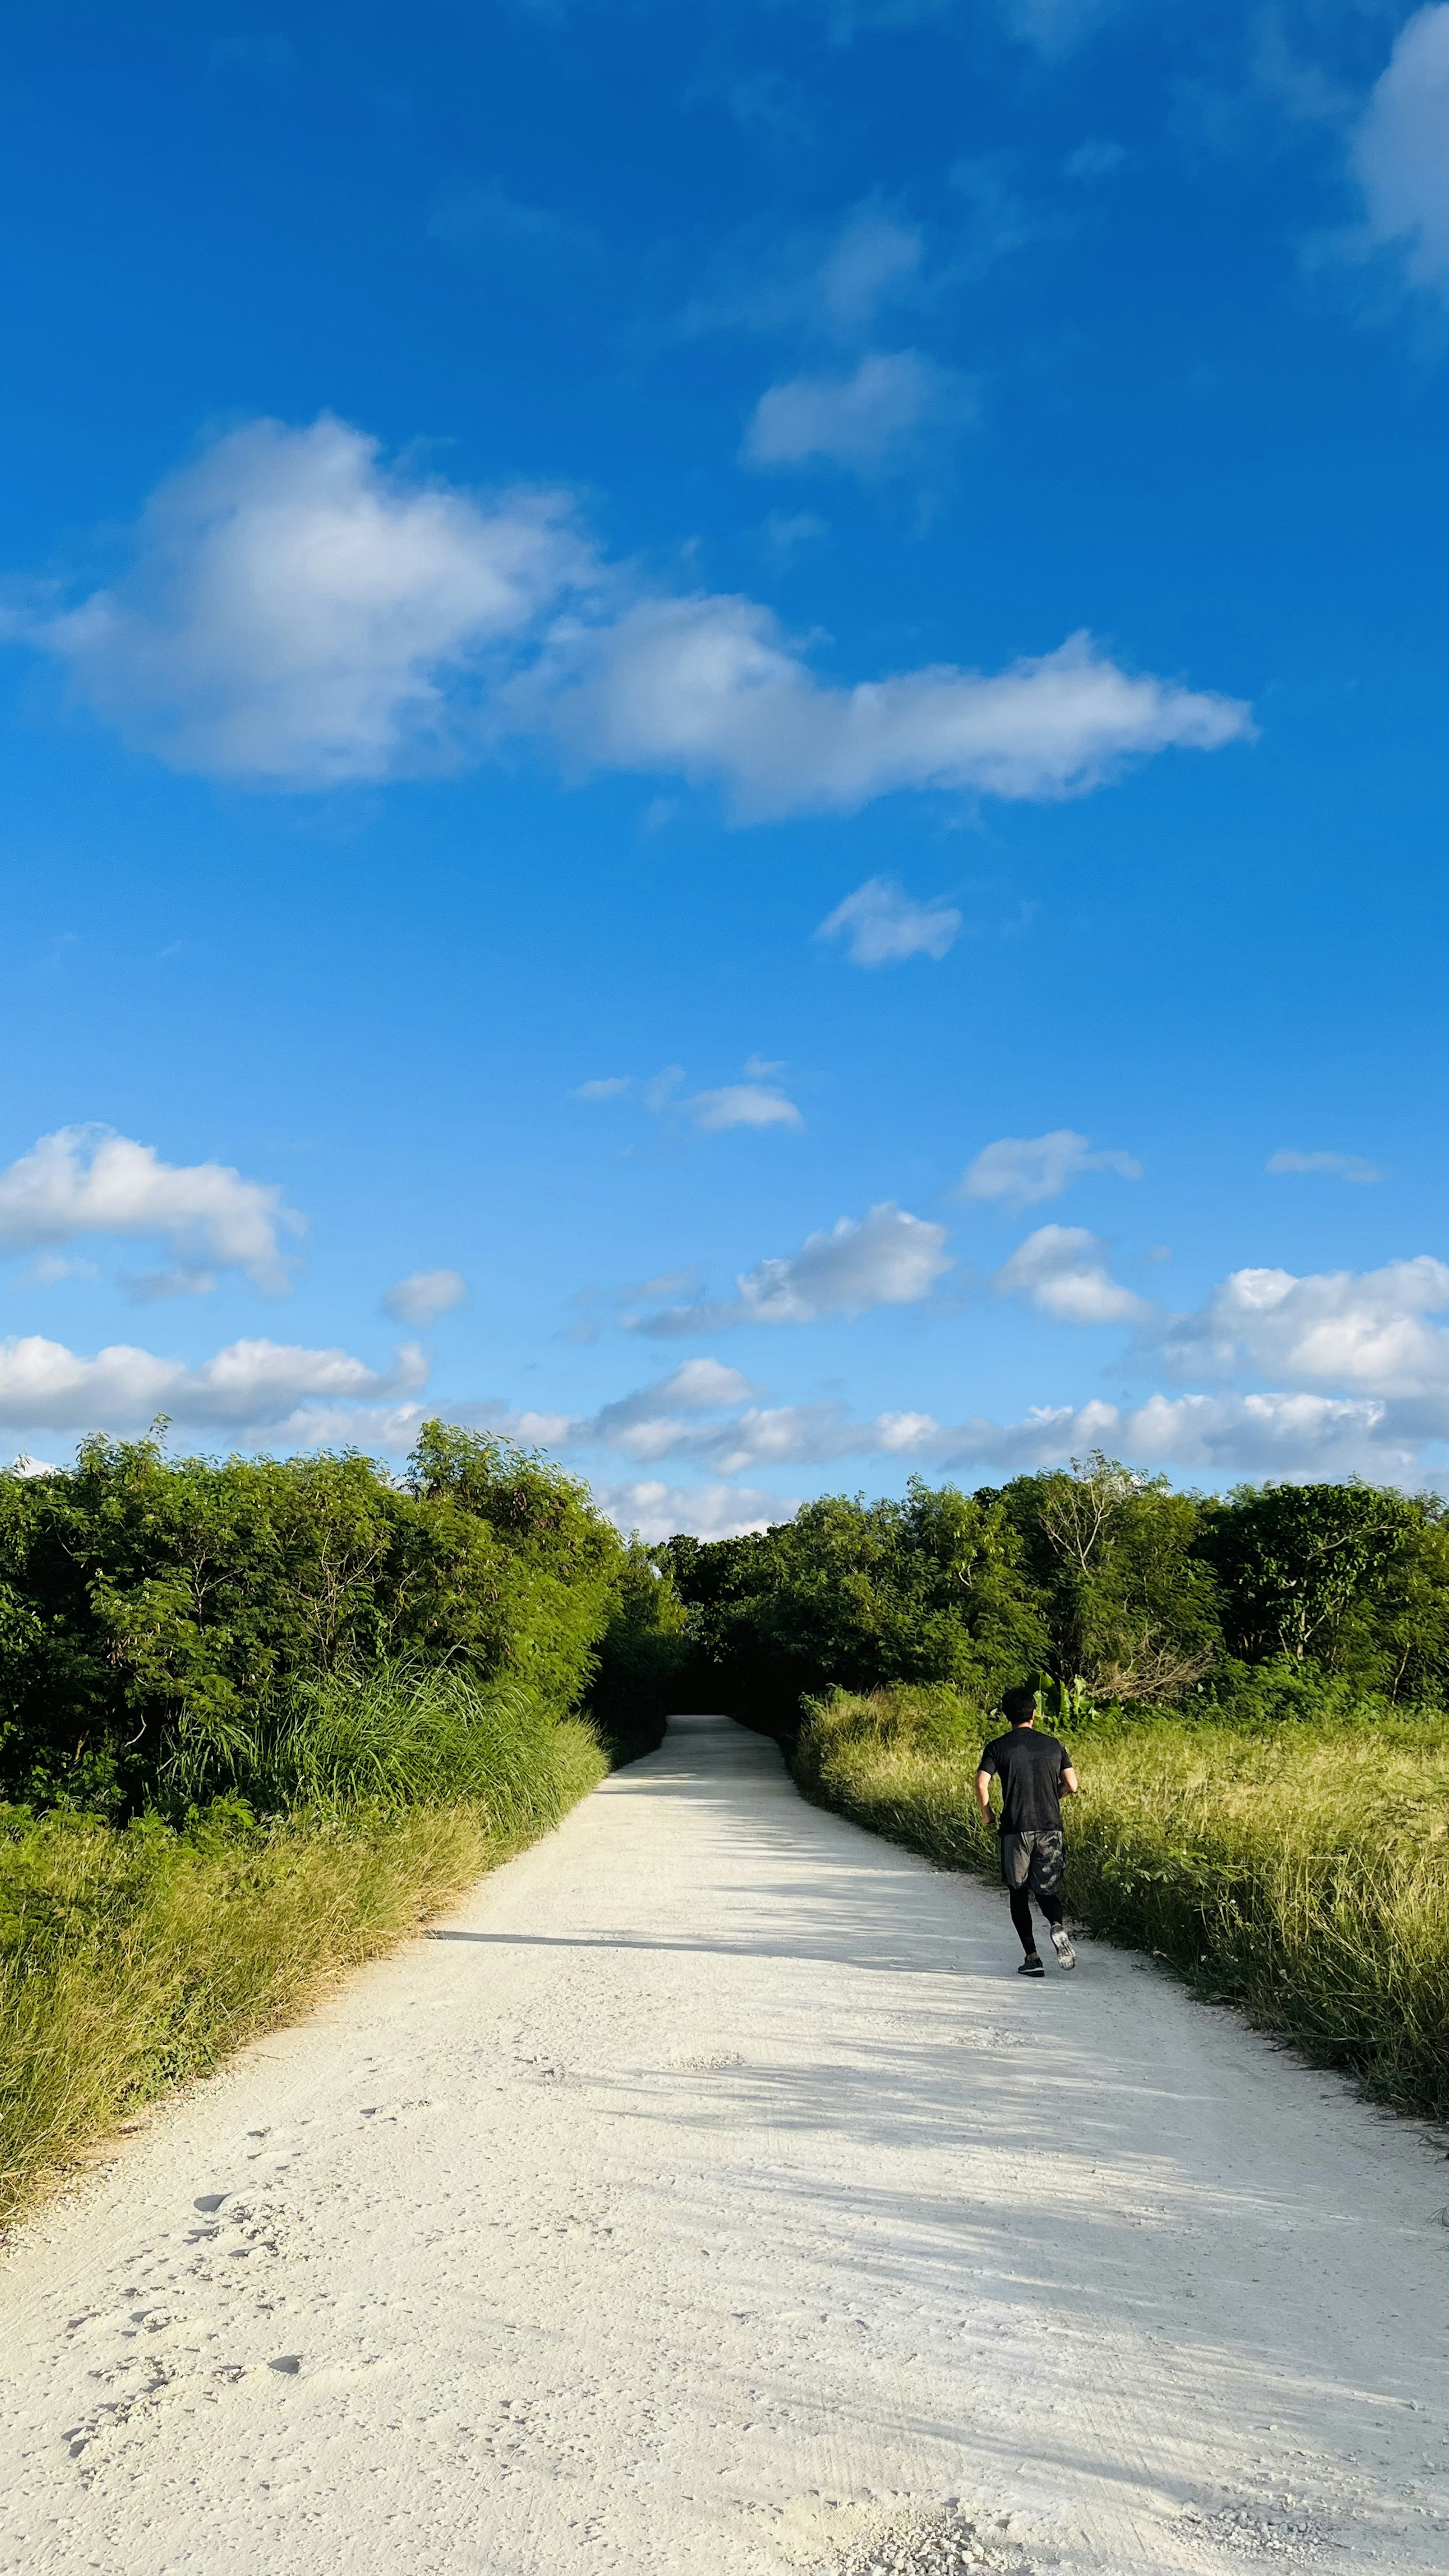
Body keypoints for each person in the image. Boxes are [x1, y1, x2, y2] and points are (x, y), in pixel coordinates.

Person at [976, 1683, 1079, 1976]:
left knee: (1018, 1892)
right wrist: (1052, 1794)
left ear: (1007, 1715)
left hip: (1016, 1830)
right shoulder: (1054, 1744)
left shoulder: (998, 1746)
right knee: (1046, 1888)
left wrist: (988, 1814)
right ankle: (1057, 1925)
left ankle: (1032, 1957)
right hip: (1050, 1828)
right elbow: (1072, 1784)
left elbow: (982, 1783)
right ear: (1035, 1713)